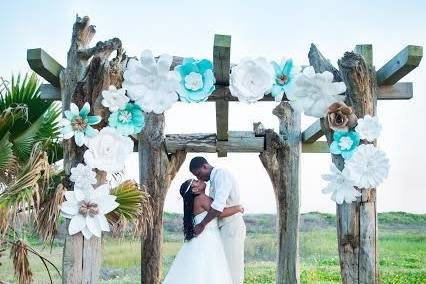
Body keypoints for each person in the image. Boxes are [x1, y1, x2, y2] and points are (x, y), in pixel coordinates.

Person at [163, 179, 244, 284]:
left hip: (203, 238)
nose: (200, 180)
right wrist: (238, 208)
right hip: (208, 239)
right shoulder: (201, 198)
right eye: (196, 182)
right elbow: (219, 212)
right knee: (210, 272)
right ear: (195, 190)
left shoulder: (195, 201)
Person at [189, 156, 246, 284]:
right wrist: (237, 207)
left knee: (233, 267)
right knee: (224, 267)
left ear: (205, 166)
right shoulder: (214, 180)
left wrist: (202, 224)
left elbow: (218, 208)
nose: (199, 178)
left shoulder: (221, 175)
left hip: (231, 226)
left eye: (198, 174)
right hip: (223, 228)